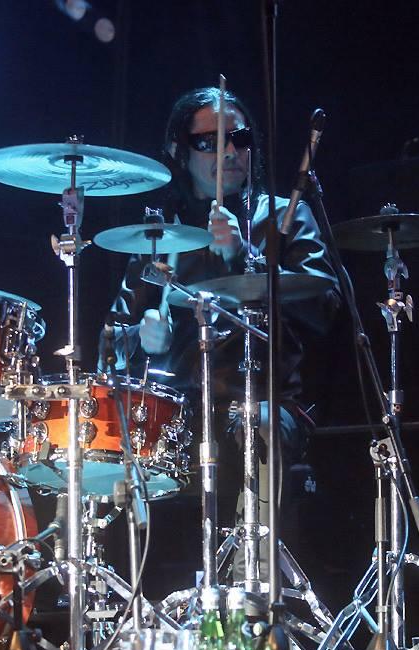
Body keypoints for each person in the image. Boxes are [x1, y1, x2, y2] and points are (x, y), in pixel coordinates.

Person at [99, 86, 341, 582]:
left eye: (240, 138)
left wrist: (243, 259)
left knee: (257, 422)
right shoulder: (156, 237)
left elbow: (325, 309)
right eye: (210, 141)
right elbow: (109, 347)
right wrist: (141, 340)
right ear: (179, 150)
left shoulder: (284, 216)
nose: (230, 151)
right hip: (174, 414)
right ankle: (120, 594)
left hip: (264, 401)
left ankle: (254, 587)